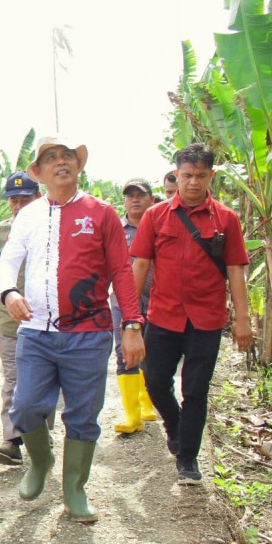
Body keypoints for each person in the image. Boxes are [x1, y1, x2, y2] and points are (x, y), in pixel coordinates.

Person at [0, 136, 145, 523]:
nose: (60, 163)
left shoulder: (101, 213)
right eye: (50, 159)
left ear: (78, 167)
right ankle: (40, 462)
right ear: (40, 172)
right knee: (26, 406)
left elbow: (122, 273)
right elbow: (8, 261)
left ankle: (74, 490)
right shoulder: (27, 215)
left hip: (88, 333)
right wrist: (10, 292)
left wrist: (131, 323)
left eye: (67, 157)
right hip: (35, 332)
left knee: (82, 415)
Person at [130, 143, 252, 485]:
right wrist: (130, 317)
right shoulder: (156, 216)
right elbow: (140, 265)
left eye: (200, 176)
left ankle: (187, 460)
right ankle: (174, 423)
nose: (193, 183)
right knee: (154, 380)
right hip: (163, 317)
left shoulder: (227, 219)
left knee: (195, 390)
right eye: (186, 175)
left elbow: (235, 271)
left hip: (206, 320)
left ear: (211, 176)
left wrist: (243, 320)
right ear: (176, 174)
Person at [0, 171, 41, 465]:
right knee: (13, 380)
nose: (18, 206)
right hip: (9, 322)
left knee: (43, 380)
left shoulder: (50, 227)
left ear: (38, 197)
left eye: (24, 200)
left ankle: (41, 436)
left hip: (46, 321)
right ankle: (12, 440)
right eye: (13, 201)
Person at [110, 178, 157, 434]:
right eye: (130, 195)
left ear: (151, 198)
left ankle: (148, 401)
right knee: (124, 352)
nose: (135, 199)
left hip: (157, 300)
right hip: (122, 302)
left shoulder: (161, 225)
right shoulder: (116, 229)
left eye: (140, 194)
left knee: (153, 352)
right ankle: (132, 415)